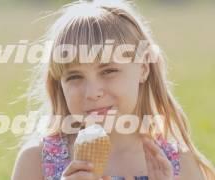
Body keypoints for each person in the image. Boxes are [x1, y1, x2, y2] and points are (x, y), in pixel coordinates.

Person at [12, 0, 215, 179]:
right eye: (75, 76)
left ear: (143, 68)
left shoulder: (177, 162)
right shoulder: (36, 161)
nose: (92, 92)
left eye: (108, 71)